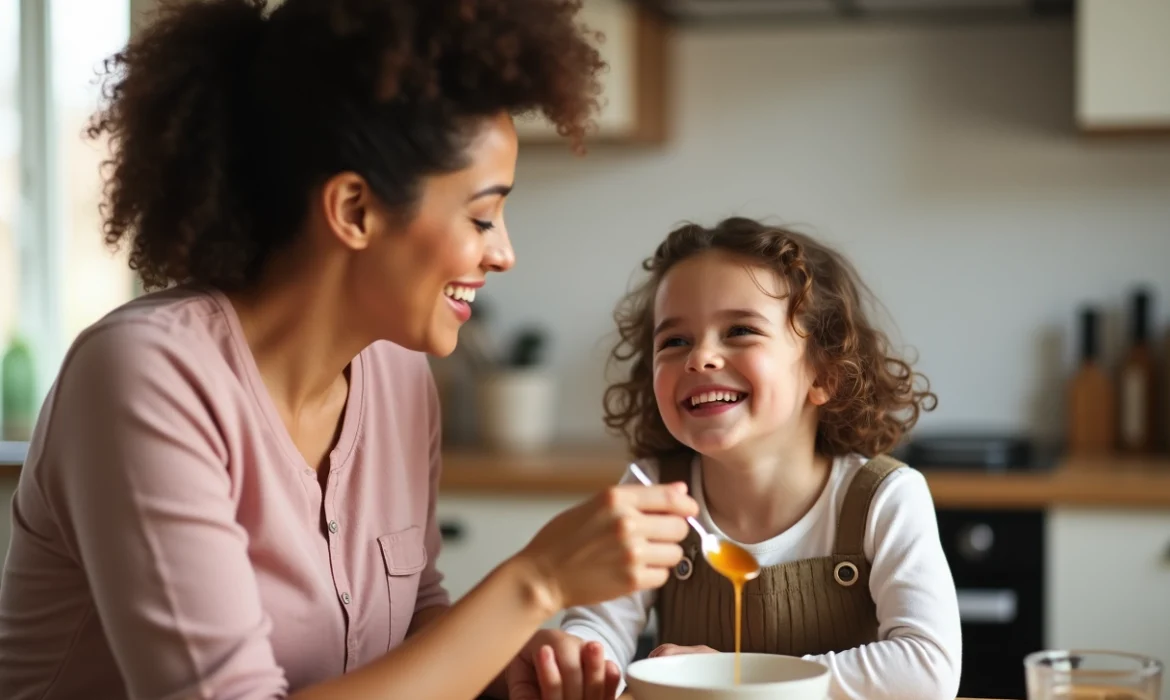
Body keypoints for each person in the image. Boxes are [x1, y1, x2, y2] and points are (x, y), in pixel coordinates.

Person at [0, 1, 699, 699]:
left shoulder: (398, 373)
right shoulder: (146, 375)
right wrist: (535, 580)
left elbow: (406, 627)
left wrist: (499, 670)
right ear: (354, 211)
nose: (504, 253)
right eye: (481, 215)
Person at [509, 217, 963, 700]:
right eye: (674, 341)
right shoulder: (652, 494)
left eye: (741, 330)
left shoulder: (885, 498)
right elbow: (600, 629)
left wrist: (736, 676)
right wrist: (577, 656)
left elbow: (926, 667)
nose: (699, 357)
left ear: (825, 374)